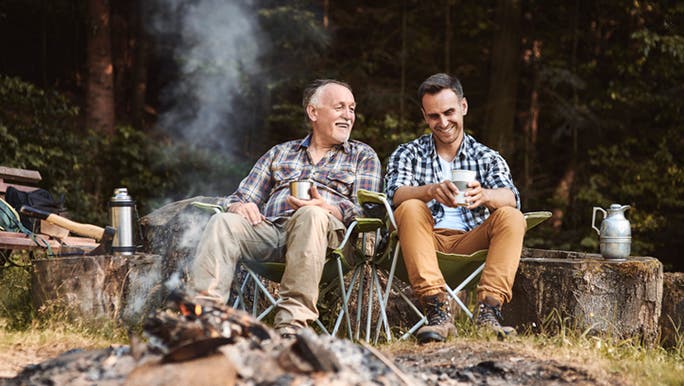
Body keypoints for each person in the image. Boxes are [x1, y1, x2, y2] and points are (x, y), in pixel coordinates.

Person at [188, 79, 382, 337]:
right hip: (273, 231)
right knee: (224, 222)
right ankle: (203, 322)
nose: (348, 115)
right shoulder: (280, 153)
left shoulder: (362, 155)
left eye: (352, 108)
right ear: (313, 112)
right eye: (340, 108)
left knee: (311, 213)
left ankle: (292, 325)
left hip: (329, 241)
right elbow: (239, 196)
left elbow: (368, 212)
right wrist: (239, 206)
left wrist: (329, 207)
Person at [384, 73, 526, 344]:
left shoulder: (486, 156)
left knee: (511, 216)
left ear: (463, 107)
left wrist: (484, 195)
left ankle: (489, 312)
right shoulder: (409, 153)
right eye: (434, 116)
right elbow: (394, 194)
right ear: (425, 117)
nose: (443, 122)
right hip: (424, 241)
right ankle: (437, 311)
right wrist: (430, 191)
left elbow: (512, 196)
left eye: (449, 112)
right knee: (410, 206)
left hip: (471, 242)